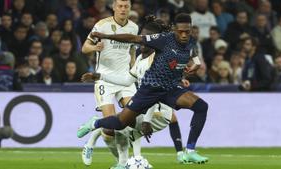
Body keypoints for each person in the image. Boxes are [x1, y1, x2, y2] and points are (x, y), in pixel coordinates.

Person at [79, 13, 209, 164]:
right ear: (174, 29)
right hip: (150, 90)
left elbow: (192, 52)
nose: (184, 35)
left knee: (201, 107)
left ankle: (190, 151)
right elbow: (133, 40)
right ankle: (95, 124)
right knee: (121, 123)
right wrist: (106, 37)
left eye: (188, 31)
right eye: (181, 31)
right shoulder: (162, 42)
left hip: (170, 89)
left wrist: (197, 63)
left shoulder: (189, 41)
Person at [80, 0, 139, 166]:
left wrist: (134, 71)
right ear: (113, 7)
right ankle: (94, 141)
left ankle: (122, 163)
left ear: (130, 8)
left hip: (126, 80)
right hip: (104, 79)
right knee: (110, 127)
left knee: (133, 119)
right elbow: (84, 47)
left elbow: (132, 50)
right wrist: (94, 48)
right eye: (120, 6)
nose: (123, 9)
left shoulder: (133, 28)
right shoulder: (101, 25)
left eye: (126, 6)